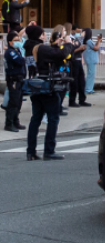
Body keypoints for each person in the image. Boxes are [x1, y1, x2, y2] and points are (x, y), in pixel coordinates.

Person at [27, 32, 73, 161]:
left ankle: (31, 151)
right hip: (48, 88)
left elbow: (57, 56)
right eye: (42, 35)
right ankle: (49, 150)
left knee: (35, 119)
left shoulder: (34, 50)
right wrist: (68, 43)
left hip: (37, 88)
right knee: (53, 118)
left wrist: (58, 45)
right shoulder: (42, 48)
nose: (45, 37)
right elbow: (61, 55)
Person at [4, 31, 26, 132]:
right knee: (13, 102)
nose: (18, 42)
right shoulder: (10, 52)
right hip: (13, 80)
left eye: (19, 40)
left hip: (19, 79)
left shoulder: (17, 51)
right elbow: (20, 61)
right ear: (10, 42)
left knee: (18, 102)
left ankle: (15, 121)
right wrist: (23, 56)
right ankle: (9, 123)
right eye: (16, 40)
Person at [67, 25, 90, 108]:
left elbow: (79, 49)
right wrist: (79, 49)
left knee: (81, 80)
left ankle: (82, 99)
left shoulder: (77, 39)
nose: (79, 33)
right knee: (74, 81)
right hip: (73, 61)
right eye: (77, 31)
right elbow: (71, 50)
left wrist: (82, 49)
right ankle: (72, 100)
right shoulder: (69, 38)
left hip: (79, 60)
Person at [83, 28, 102, 94]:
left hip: (91, 59)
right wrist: (99, 42)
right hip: (91, 60)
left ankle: (90, 88)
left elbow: (94, 46)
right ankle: (88, 89)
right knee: (90, 74)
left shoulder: (88, 41)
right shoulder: (88, 41)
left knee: (91, 74)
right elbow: (96, 48)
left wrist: (98, 40)